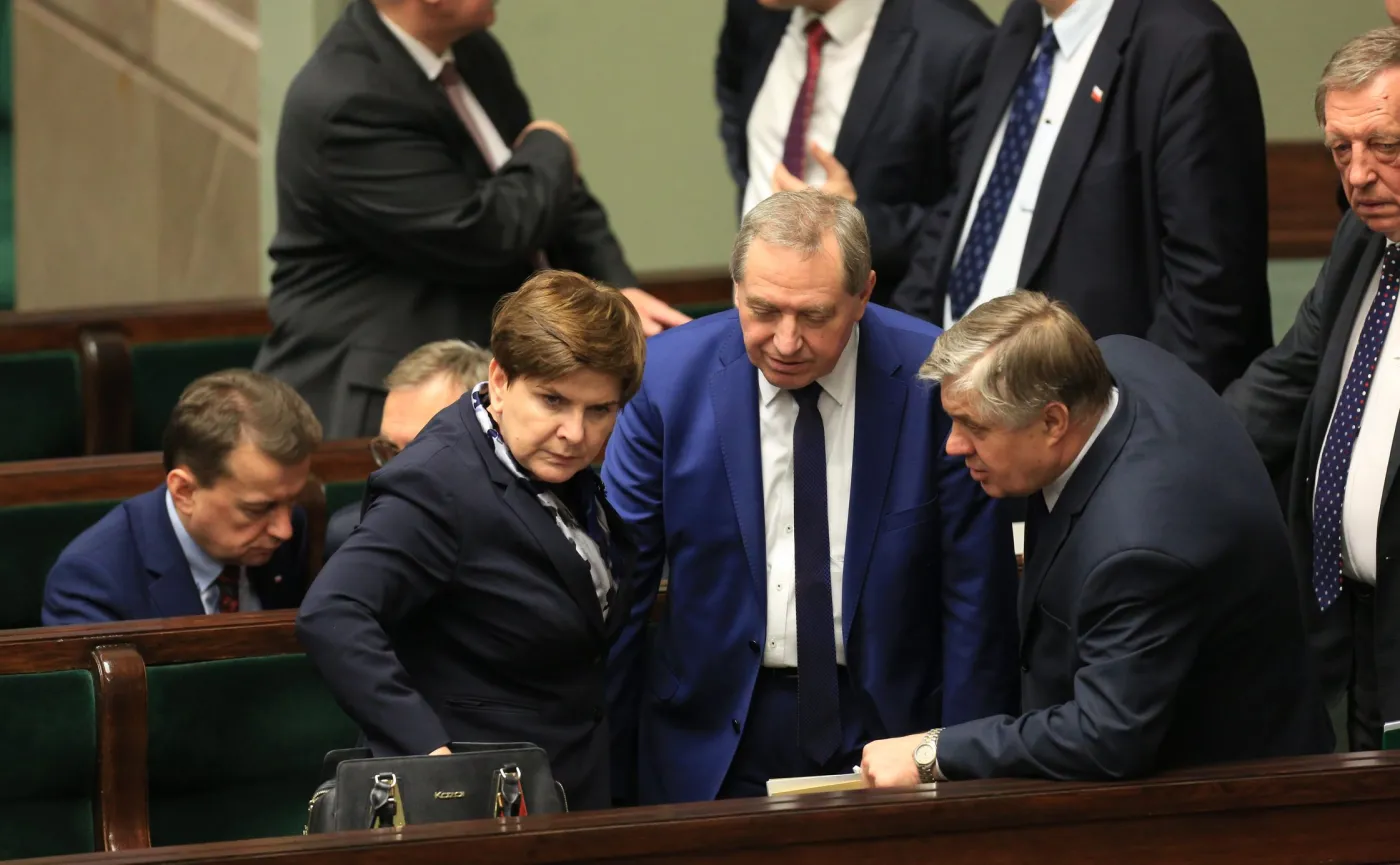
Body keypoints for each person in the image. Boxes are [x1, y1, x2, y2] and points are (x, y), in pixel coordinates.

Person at [603, 190, 1019, 805]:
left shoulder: (934, 382)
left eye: (815, 315)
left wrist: (962, 764)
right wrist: (601, 778)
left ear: (864, 293)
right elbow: (621, 594)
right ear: (735, 287)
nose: (786, 340)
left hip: (896, 727)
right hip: (710, 732)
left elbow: (976, 596)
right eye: (763, 310)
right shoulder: (665, 382)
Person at [859, 292, 1331, 786]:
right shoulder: (1116, 361)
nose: (953, 446)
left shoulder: (1139, 552)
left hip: (1230, 795)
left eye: (974, 426)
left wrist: (932, 753)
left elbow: (1107, 736)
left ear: (1053, 421)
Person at [297, 270, 646, 812]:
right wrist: (431, 758)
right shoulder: (438, 480)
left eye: (599, 410)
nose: (576, 433)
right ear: (500, 381)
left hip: (563, 788)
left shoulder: (549, 465)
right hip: (470, 808)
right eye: (553, 400)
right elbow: (332, 613)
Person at [257, 0, 687, 438]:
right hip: (390, 391)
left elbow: (557, 195)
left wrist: (615, 291)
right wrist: (551, 144)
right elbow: (487, 232)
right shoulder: (347, 98)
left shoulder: (473, 51)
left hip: (498, 372)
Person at [890, 0, 1272, 392]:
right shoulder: (1025, 19)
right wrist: (897, 354)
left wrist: (1134, 420)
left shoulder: (1188, 45)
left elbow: (1208, 294)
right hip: (954, 384)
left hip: (1077, 403)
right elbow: (967, 206)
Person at [1225, 28, 1400, 751]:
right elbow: (1280, 386)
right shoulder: (1362, 241)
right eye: (1340, 149)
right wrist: (1151, 454)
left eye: (1386, 146)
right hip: (1345, 635)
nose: (1358, 175)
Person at [715, 0, 992, 296]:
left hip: (877, 309)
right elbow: (734, 110)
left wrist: (855, 220)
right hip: (751, 305)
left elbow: (970, 226)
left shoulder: (958, 42)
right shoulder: (755, 11)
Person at [43, 371, 322, 625]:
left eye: (292, 501)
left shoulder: (293, 532)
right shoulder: (93, 581)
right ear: (184, 492)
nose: (284, 530)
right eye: (257, 508)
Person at [325, 339, 491, 561]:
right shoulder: (353, 538)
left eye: (420, 450)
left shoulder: (528, 532)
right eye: (390, 449)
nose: (393, 474)